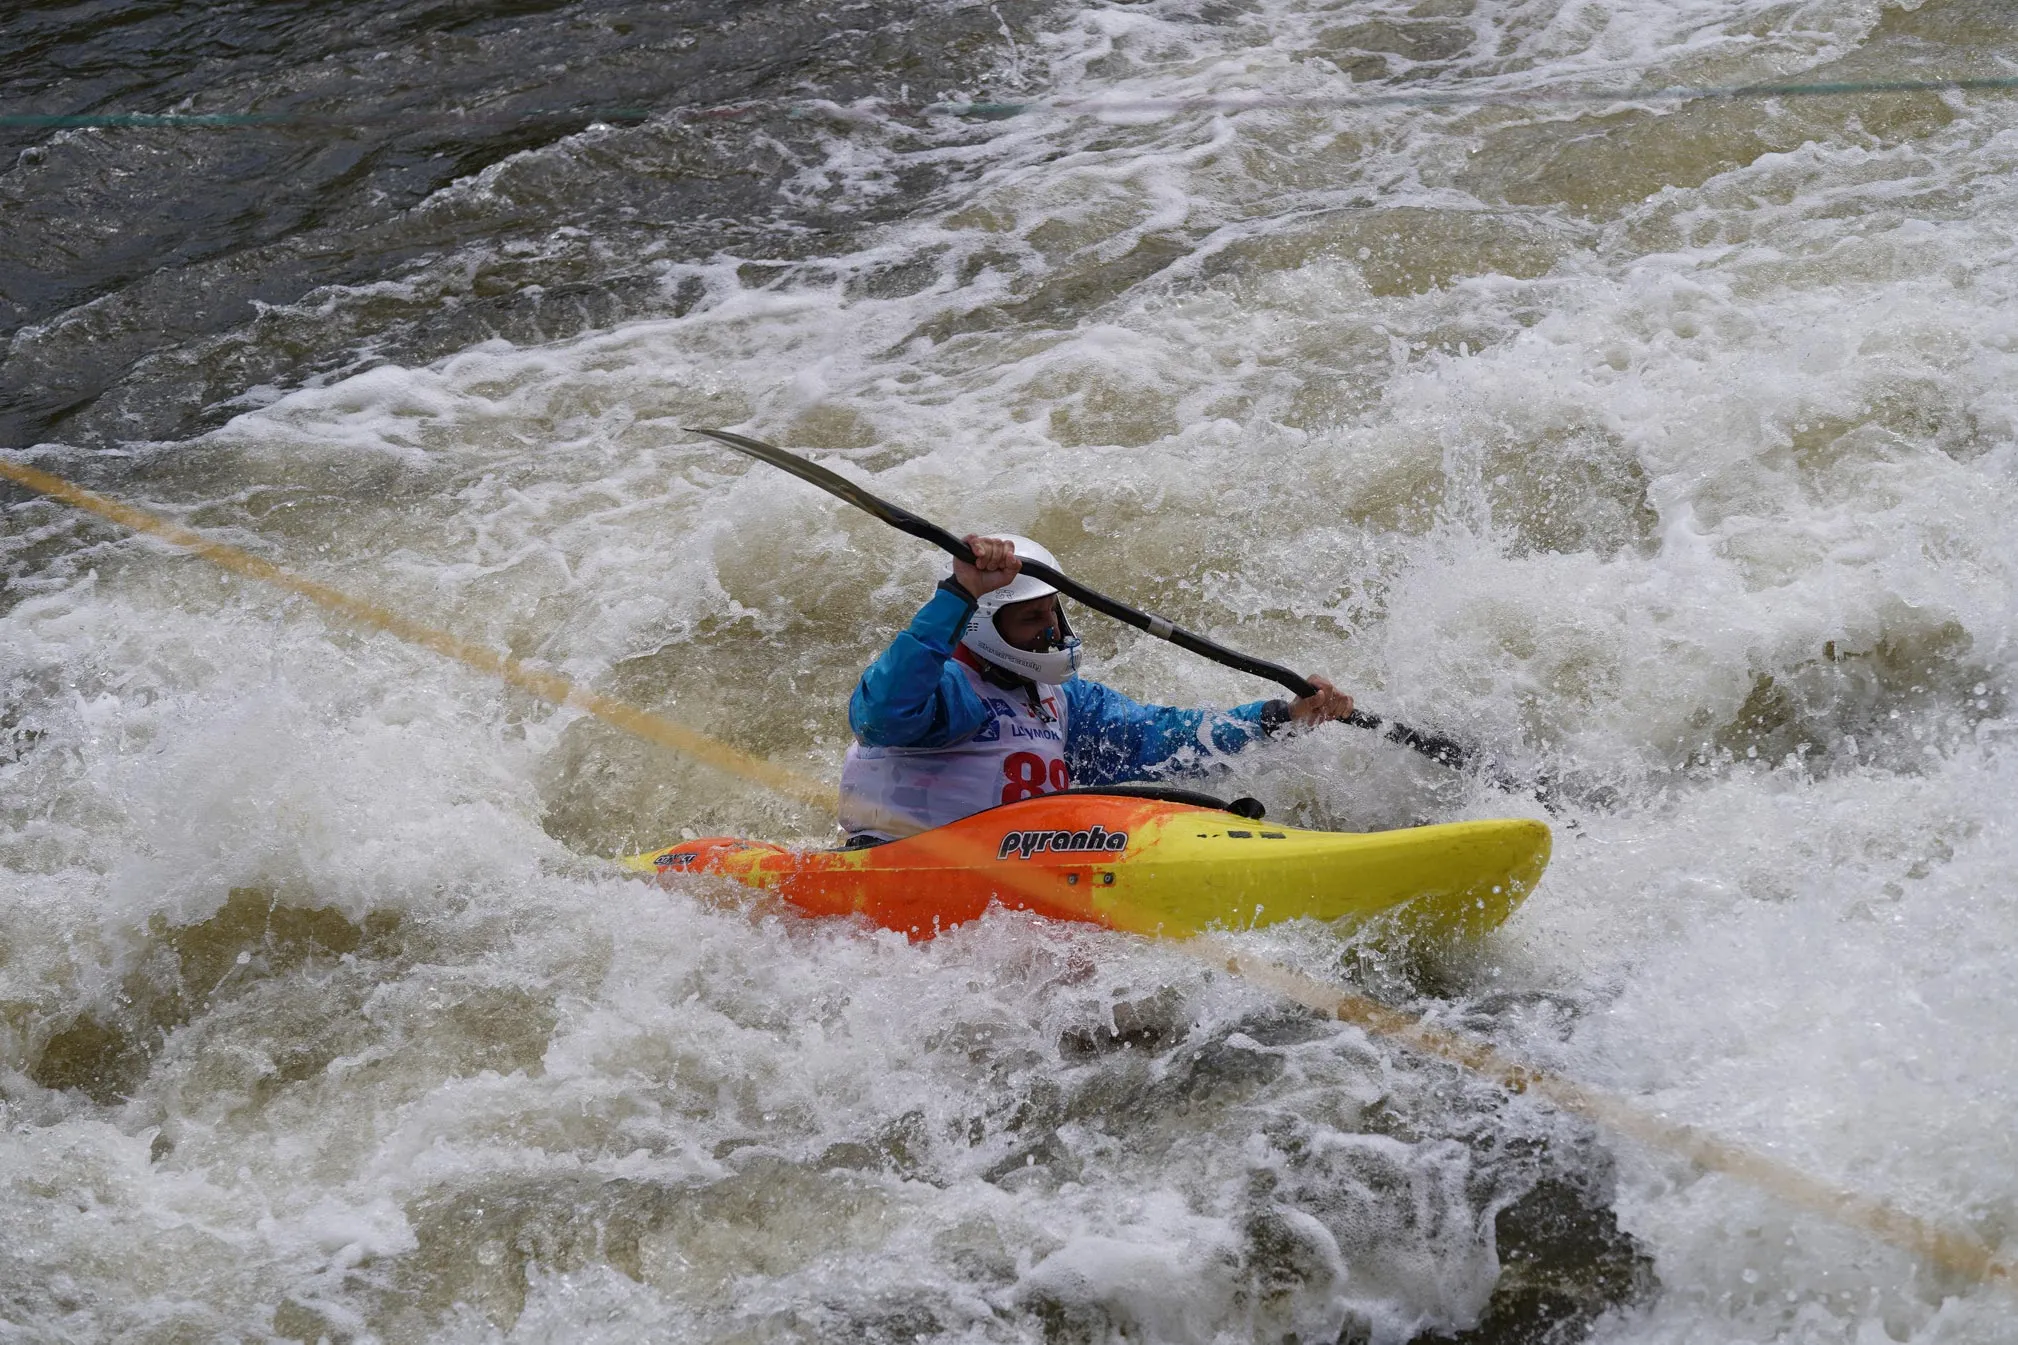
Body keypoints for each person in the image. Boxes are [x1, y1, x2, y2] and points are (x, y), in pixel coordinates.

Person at [838, 534, 1357, 841]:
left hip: (1027, 874)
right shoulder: (951, 691)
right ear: (981, 624)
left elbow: (1161, 740)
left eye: (1053, 614)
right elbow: (883, 713)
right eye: (1031, 619)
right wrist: (961, 593)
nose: (1052, 633)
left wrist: (1280, 717)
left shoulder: (1060, 700)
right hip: (908, 866)